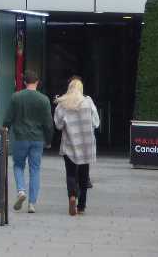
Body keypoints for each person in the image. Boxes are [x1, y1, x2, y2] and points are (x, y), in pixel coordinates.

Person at [2, 69, 54, 213]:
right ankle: (32, 203)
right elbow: (48, 123)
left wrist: (5, 128)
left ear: (24, 82)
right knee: (35, 169)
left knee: (18, 165)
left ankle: (21, 191)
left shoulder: (16, 97)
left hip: (20, 138)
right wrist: (48, 140)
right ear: (37, 82)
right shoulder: (44, 100)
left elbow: (8, 118)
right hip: (38, 139)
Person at [54, 76, 99, 216]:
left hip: (69, 144)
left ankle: (72, 196)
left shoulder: (62, 104)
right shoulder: (88, 101)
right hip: (86, 144)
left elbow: (58, 125)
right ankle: (81, 206)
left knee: (71, 173)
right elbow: (96, 122)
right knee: (84, 175)